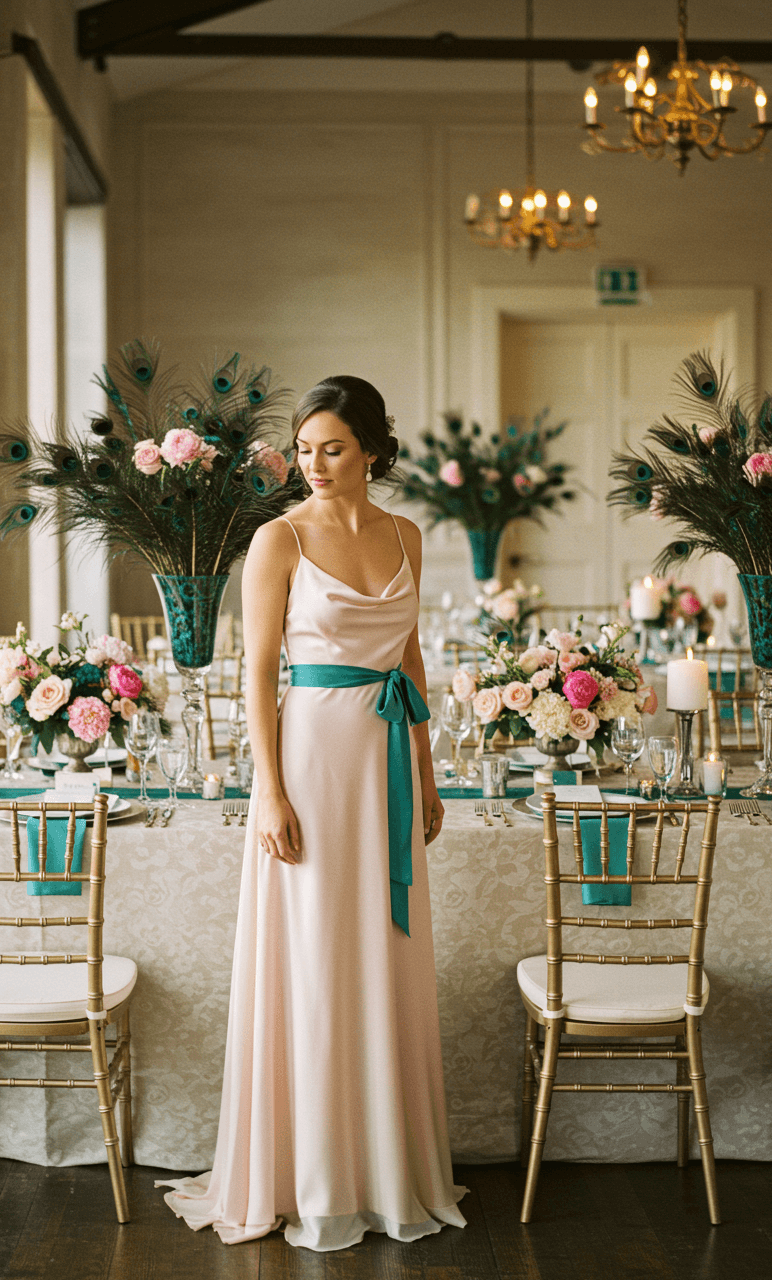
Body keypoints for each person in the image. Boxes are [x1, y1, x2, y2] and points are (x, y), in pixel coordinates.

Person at [157, 375, 467, 1251]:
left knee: (383, 949)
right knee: (316, 953)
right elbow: (256, 672)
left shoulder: (407, 534)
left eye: (332, 448)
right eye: (304, 450)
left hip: (388, 760)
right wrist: (268, 787)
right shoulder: (277, 538)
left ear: (371, 448)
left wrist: (430, 774)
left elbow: (408, 657)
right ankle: (314, 1173)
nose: (315, 465)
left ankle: (382, 1166)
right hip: (312, 756)